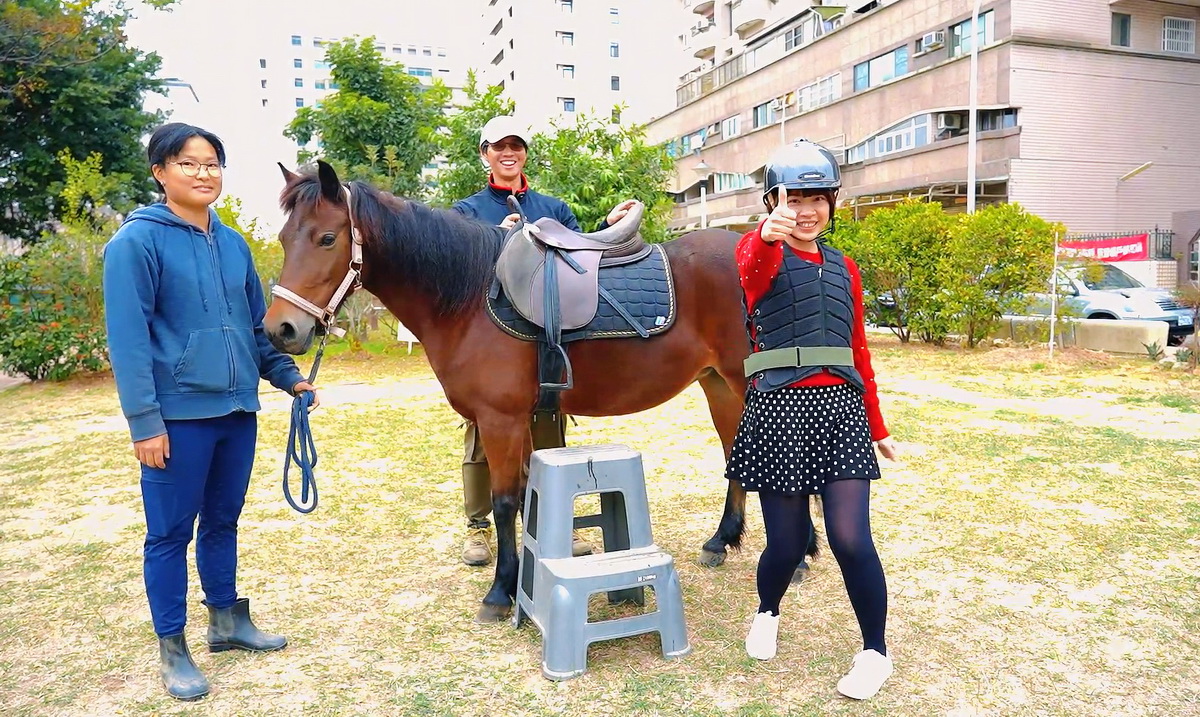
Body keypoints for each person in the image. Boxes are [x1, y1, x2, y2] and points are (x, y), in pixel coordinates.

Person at [103, 122, 319, 701]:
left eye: (212, 164)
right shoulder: (135, 243)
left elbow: (254, 326)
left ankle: (226, 620)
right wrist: (145, 423)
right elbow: (127, 341)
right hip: (176, 420)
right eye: (188, 163)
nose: (203, 174)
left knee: (223, 521)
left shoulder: (233, 244)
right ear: (160, 172)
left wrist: (288, 377)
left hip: (236, 410)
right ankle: (173, 647)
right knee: (169, 534)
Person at [728, 139, 899, 700]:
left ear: (832, 202)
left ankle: (875, 652)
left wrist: (877, 425)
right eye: (793, 198)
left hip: (841, 412)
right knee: (787, 542)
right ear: (772, 201)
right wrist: (766, 234)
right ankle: (767, 610)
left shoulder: (846, 268)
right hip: (778, 409)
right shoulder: (758, 251)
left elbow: (857, 349)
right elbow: (753, 266)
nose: (806, 211)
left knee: (851, 538)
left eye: (816, 198)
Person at [450, 115, 635, 566]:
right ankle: (479, 528)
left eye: (515, 145)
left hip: (548, 339)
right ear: (484, 154)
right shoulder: (466, 212)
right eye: (498, 146)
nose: (507, 153)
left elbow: (582, 254)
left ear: (525, 154)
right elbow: (453, 272)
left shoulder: (552, 207)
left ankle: (554, 520)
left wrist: (605, 223)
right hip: (490, 346)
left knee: (550, 431)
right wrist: (498, 238)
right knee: (484, 437)